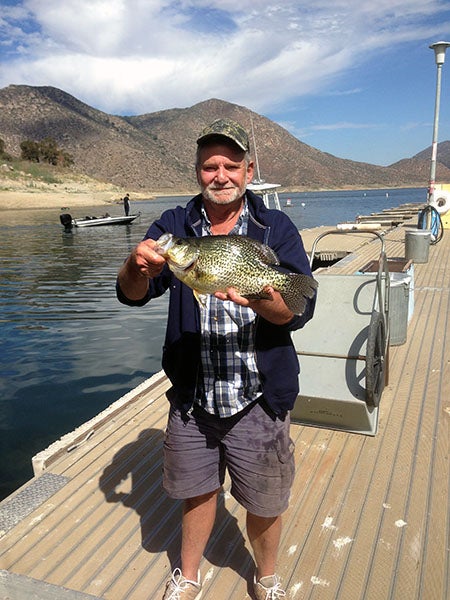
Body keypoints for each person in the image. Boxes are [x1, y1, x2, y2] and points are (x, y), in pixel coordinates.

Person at [116, 118, 316, 600]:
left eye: (231, 165)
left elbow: (297, 310)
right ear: (198, 171)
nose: (220, 175)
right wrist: (136, 264)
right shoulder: (174, 227)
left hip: (259, 395)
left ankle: (266, 579)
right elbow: (133, 294)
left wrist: (260, 298)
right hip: (193, 395)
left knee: (265, 501)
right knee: (196, 490)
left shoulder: (277, 227)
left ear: (248, 171)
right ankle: (189, 576)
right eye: (210, 166)